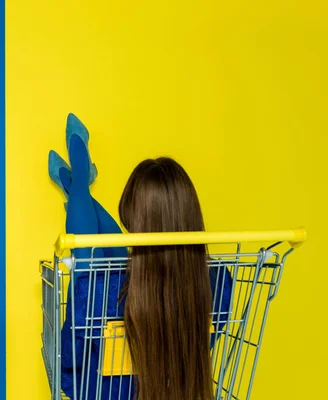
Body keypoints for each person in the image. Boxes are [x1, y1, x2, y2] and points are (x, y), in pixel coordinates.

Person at [48, 114, 233, 400]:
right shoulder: (218, 283)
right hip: (179, 391)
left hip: (102, 392)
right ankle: (77, 180)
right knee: (109, 274)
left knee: (88, 261)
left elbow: (68, 369)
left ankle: (79, 177)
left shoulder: (104, 287)